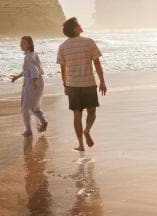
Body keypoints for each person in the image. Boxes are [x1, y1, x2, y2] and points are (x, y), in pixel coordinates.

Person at [56, 17, 107, 151]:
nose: (81, 26)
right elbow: (96, 63)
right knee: (92, 113)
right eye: (78, 24)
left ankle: (80, 144)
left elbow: (63, 68)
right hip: (89, 84)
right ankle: (87, 130)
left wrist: (65, 85)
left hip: (73, 86)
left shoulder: (63, 47)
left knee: (77, 115)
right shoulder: (89, 42)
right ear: (75, 28)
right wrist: (102, 81)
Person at [12, 36, 48, 136]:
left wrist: (34, 81)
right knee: (34, 106)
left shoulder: (28, 56)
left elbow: (34, 70)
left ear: (29, 44)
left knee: (25, 107)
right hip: (38, 81)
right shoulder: (33, 54)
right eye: (21, 42)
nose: (21, 45)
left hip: (31, 82)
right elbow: (29, 70)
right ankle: (43, 121)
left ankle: (28, 130)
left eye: (23, 43)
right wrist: (17, 77)